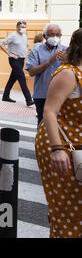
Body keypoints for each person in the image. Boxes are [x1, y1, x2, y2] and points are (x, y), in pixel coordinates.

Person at [35, 28, 82, 238]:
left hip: (76, 144)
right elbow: (49, 111)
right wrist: (57, 149)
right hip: (62, 145)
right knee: (67, 206)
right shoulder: (68, 73)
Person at [26, 24, 67, 126]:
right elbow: (31, 71)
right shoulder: (36, 52)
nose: (55, 37)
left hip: (62, 94)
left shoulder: (66, 50)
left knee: (60, 124)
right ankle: (41, 142)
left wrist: (66, 60)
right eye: (52, 35)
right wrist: (49, 62)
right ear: (45, 36)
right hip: (42, 94)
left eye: (58, 35)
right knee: (43, 123)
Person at [0, 21, 34, 106]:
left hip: (21, 60)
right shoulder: (13, 36)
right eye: (21, 27)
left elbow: (26, 47)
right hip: (14, 60)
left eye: (24, 27)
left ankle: (5, 96)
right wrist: (9, 54)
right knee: (22, 79)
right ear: (17, 27)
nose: (23, 28)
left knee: (12, 79)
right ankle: (28, 100)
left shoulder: (25, 36)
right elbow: (1, 44)